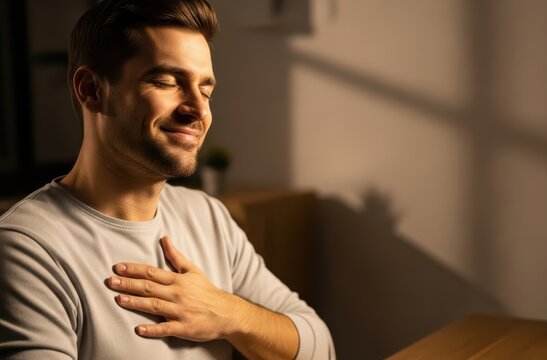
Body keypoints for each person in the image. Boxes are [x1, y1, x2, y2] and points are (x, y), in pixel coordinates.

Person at [0, 0, 335, 359]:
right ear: (91, 90)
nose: (198, 109)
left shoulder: (208, 217)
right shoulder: (26, 250)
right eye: (166, 81)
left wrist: (228, 313)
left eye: (206, 90)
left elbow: (319, 348)